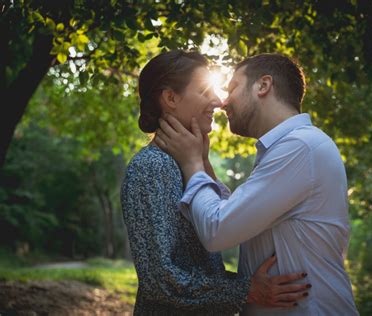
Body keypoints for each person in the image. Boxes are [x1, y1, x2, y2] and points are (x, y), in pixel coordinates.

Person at [155, 53, 359, 315]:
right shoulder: (292, 147)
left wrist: (192, 164)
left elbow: (218, 230)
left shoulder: (299, 147)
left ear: (263, 85)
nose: (223, 102)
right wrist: (205, 163)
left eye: (232, 88)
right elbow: (240, 215)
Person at [120, 50, 310, 316]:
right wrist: (247, 290)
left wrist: (202, 163)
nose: (218, 101)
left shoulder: (189, 163)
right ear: (171, 98)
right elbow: (160, 280)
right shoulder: (152, 167)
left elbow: (226, 219)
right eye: (204, 91)